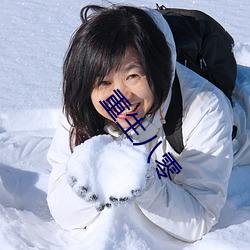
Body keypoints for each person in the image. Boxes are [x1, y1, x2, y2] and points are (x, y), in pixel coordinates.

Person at [46, 4, 250, 243]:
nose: (120, 96)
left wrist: (145, 185)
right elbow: (60, 207)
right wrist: (88, 188)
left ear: (157, 69)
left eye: (132, 76)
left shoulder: (204, 106)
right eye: (104, 81)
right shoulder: (81, 107)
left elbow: (200, 217)